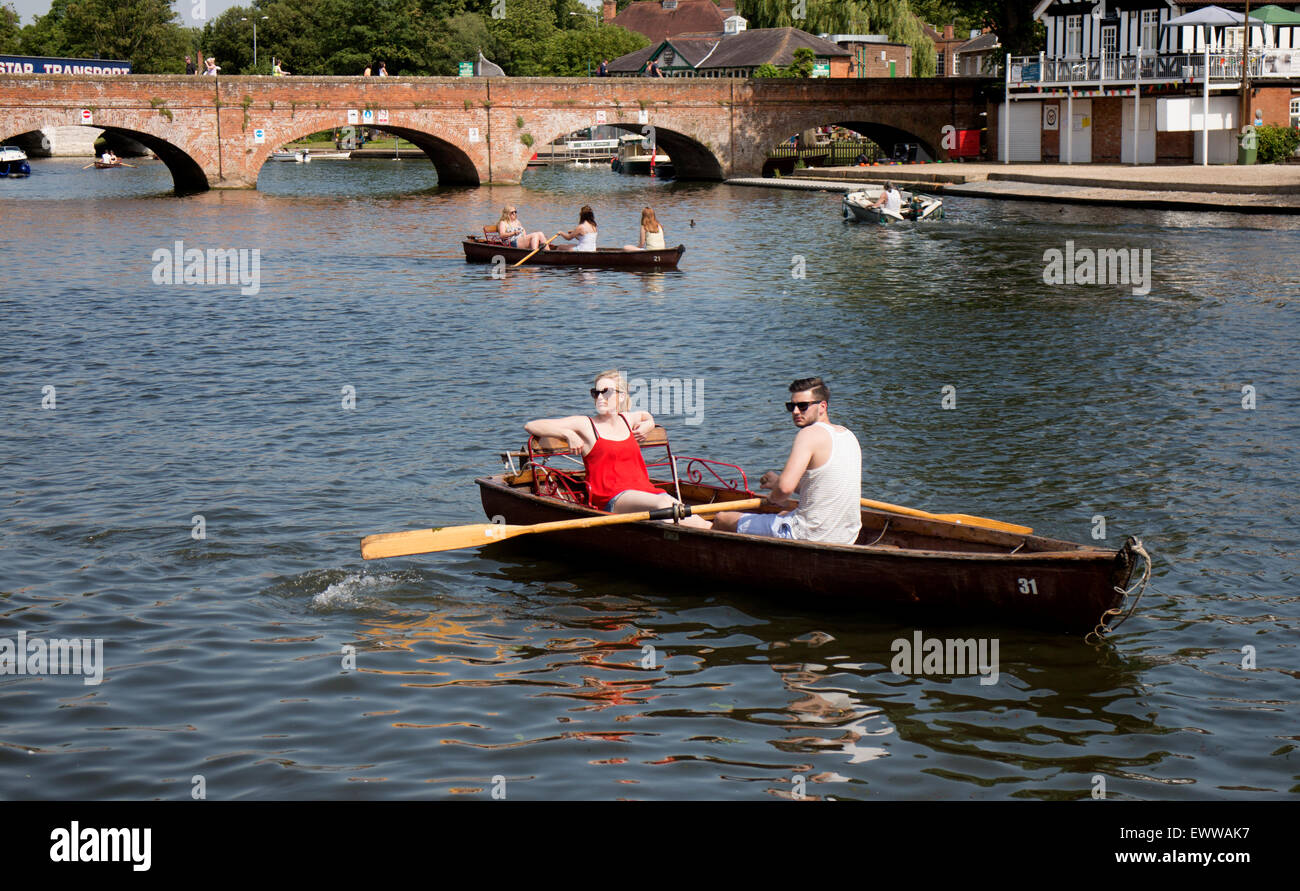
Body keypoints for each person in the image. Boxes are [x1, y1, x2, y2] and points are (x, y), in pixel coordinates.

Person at [524, 371, 710, 527]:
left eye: (606, 392)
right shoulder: (586, 424)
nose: (600, 397)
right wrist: (568, 434)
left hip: (646, 491)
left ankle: (715, 530)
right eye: (595, 393)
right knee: (664, 504)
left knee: (674, 504)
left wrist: (649, 424)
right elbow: (532, 425)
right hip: (611, 498)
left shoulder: (626, 419)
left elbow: (645, 415)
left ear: (621, 396)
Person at [713, 377, 862, 544]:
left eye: (803, 406)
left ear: (822, 406)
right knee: (783, 515)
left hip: (809, 534)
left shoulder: (809, 434)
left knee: (722, 519)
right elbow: (822, 485)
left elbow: (784, 490)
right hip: (847, 535)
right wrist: (777, 481)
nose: (796, 411)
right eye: (791, 406)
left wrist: (774, 498)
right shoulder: (848, 435)